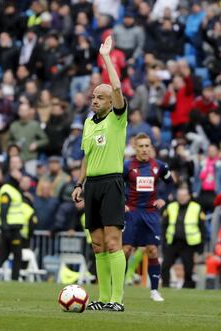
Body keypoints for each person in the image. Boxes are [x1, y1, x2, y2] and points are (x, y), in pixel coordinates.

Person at [72, 36, 127, 312]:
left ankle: (117, 300)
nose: (95, 101)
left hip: (112, 183)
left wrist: (106, 57)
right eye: (93, 97)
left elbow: (116, 86)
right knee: (97, 244)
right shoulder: (87, 124)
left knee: (113, 242)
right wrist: (79, 183)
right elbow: (87, 156)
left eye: (100, 97)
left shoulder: (118, 119)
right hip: (92, 184)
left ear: (110, 102)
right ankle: (103, 298)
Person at [123, 132, 173, 302]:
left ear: (151, 147)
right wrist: (122, 203)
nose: (145, 149)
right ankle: (118, 289)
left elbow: (170, 183)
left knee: (152, 250)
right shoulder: (127, 166)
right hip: (132, 213)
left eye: (147, 146)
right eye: (141, 146)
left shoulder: (159, 166)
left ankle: (154, 291)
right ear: (135, 147)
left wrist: (163, 198)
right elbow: (116, 185)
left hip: (151, 213)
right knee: (126, 251)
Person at [161, 186, 206, 288]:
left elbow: (202, 228)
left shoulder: (196, 207)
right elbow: (164, 225)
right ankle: (165, 286)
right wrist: (163, 241)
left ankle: (187, 288)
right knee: (165, 265)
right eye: (179, 195)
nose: (181, 198)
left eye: (184, 195)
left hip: (188, 243)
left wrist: (201, 246)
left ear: (189, 196)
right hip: (173, 242)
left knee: (188, 268)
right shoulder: (171, 206)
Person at [0, 169, 26, 280]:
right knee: (17, 254)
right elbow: (3, 210)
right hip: (11, 228)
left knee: (3, 254)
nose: (21, 177)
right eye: (18, 175)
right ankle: (14, 278)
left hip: (11, 227)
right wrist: (5, 227)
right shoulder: (7, 190)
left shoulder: (12, 189)